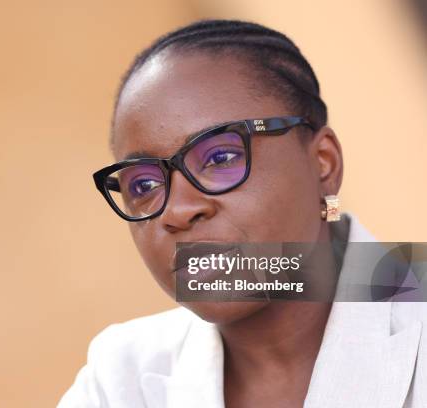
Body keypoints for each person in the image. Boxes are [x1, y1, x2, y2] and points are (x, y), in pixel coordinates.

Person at [58, 20, 427, 407]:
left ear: (323, 163)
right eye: (144, 186)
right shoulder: (122, 380)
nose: (178, 210)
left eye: (220, 158)